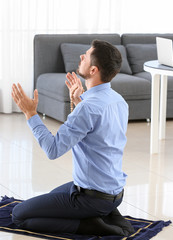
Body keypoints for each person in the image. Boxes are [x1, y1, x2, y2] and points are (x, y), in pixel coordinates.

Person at [10, 39, 134, 236]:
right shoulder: (118, 101)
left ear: (93, 70)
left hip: (91, 198)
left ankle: (90, 225)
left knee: (19, 215)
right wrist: (76, 102)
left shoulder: (88, 107)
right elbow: (93, 133)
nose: (81, 57)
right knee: (52, 198)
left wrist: (30, 114)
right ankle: (109, 213)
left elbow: (53, 149)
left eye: (86, 55)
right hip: (115, 194)